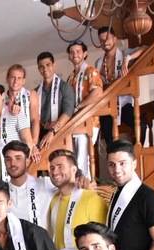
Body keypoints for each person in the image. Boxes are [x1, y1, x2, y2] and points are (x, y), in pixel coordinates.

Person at [96, 27, 146, 145]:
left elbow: (145, 48)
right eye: (101, 40)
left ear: (115, 39)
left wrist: (128, 59)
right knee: (108, 138)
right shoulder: (99, 62)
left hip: (124, 104)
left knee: (141, 125)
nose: (105, 42)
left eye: (107, 38)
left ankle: (135, 152)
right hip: (107, 105)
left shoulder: (124, 53)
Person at [66, 40, 103, 180]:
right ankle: (78, 186)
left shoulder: (91, 71)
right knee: (74, 160)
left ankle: (84, 187)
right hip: (74, 123)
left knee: (82, 159)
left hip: (88, 122)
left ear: (85, 54)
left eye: (78, 51)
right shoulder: (71, 77)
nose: (75, 54)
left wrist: (78, 107)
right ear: (69, 56)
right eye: (72, 52)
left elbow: (97, 93)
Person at [2, 140, 55, 230]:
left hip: (44, 238)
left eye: (18, 158)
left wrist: (78, 177)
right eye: (8, 159)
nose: (12, 163)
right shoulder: (2, 192)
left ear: (27, 162)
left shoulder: (44, 184)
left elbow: (68, 185)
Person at [0, 82, 37, 159]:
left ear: (2, 96)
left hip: (16, 161)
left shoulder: (16, 113)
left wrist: (26, 162)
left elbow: (28, 141)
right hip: (0, 161)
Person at [35, 52, 76, 150]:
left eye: (48, 65)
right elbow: (34, 117)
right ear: (38, 69)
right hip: (41, 135)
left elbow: (68, 112)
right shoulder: (36, 92)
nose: (45, 69)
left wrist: (52, 131)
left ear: (54, 65)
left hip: (60, 133)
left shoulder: (65, 87)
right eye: (41, 67)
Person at [5, 64, 40, 145]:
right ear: (7, 79)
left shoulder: (31, 94)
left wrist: (33, 143)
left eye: (19, 78)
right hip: (8, 143)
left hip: (27, 142)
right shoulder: (1, 99)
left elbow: (35, 120)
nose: (15, 81)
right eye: (13, 77)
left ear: (23, 81)